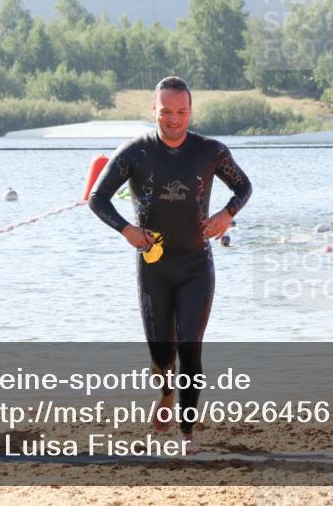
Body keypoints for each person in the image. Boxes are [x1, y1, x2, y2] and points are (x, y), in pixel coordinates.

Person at [88, 76, 252, 447]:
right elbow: (98, 198)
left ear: (191, 110)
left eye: (181, 112)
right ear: (154, 111)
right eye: (166, 112)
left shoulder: (210, 151)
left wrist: (227, 214)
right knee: (162, 357)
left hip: (196, 265)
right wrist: (127, 230)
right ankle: (165, 391)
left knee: (190, 348)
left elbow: (244, 187)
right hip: (154, 270)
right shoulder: (135, 152)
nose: (174, 120)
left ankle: (187, 432)